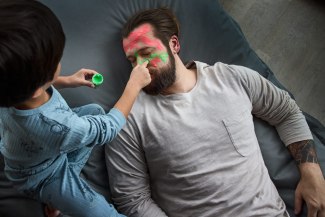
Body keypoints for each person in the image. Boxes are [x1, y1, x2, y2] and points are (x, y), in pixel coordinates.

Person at [106, 7, 325, 217]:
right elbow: (132, 199)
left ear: (173, 44)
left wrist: (311, 172)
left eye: (146, 54)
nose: (139, 68)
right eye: (132, 60)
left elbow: (286, 112)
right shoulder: (126, 118)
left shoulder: (232, 78)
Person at [0, 1, 151, 217]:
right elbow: (106, 129)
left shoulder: (10, 90)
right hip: (42, 176)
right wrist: (133, 86)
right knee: (101, 212)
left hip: (29, 148)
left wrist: (67, 80)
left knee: (95, 111)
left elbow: (33, 88)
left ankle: (60, 193)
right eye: (56, 62)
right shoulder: (58, 125)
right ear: (36, 86)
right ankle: (56, 197)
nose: (60, 61)